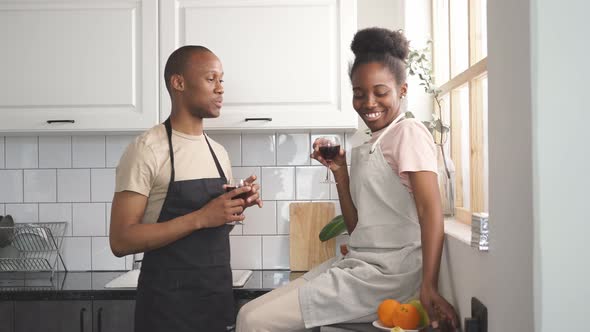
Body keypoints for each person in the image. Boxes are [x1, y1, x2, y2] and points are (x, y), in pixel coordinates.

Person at [236, 28, 458, 331]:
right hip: (360, 266)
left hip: (388, 276)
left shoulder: (408, 133)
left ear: (402, 90)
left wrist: (429, 285)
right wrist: (340, 171)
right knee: (248, 312)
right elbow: (357, 229)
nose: (369, 102)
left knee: (253, 321)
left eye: (380, 92)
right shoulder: (370, 144)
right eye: (358, 93)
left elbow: (430, 211)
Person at [109, 45, 262, 332]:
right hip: (166, 310)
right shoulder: (146, 150)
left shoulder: (219, 153)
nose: (220, 89)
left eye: (222, 80)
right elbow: (121, 240)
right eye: (210, 79)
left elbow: (209, 232)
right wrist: (201, 217)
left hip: (216, 304)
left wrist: (234, 206)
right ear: (178, 83)